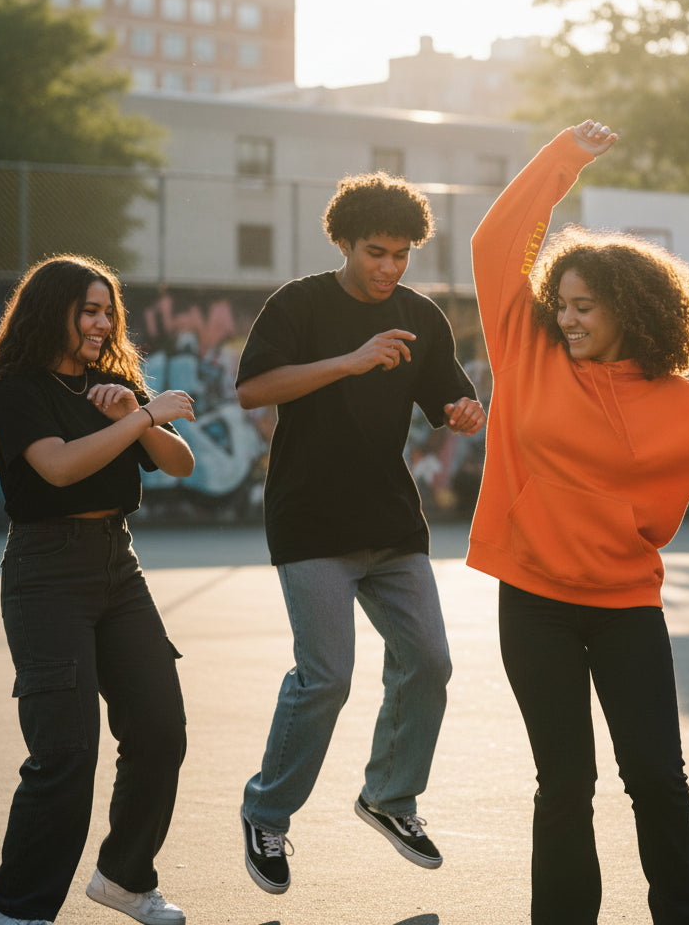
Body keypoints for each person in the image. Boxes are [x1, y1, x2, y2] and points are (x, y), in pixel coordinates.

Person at [466, 120, 689, 925]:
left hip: (626, 606)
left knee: (657, 775)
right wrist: (564, 159)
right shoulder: (527, 350)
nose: (567, 319)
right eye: (563, 304)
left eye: (585, 307)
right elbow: (495, 248)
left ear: (630, 309)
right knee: (564, 785)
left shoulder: (684, 407)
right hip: (534, 601)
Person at [235, 169, 486, 895]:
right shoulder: (300, 304)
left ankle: (390, 796)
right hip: (309, 520)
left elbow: (452, 402)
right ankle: (268, 810)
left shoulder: (421, 316)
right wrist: (348, 360)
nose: (389, 267)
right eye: (376, 251)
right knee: (327, 678)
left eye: (402, 254)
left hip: (389, 521)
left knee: (429, 662)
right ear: (343, 241)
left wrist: (467, 413)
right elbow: (254, 389)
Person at [0, 255, 197, 925]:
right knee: (65, 754)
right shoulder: (17, 387)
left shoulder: (113, 386)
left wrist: (137, 412)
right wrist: (138, 416)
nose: (100, 324)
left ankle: (126, 879)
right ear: (52, 311)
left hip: (116, 568)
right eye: (88, 311)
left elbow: (178, 464)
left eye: (107, 312)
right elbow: (59, 468)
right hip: (46, 575)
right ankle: (16, 910)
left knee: (159, 731)